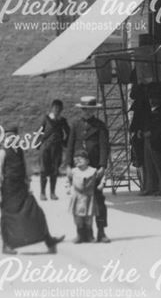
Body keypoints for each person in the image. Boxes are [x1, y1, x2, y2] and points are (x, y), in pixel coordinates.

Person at [0, 123, 65, 255]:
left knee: (36, 213)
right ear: (4, 139)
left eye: (13, 136)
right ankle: (6, 245)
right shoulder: (2, 153)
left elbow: (26, 170)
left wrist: (28, 186)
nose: (11, 139)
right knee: (7, 218)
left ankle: (49, 240)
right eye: (8, 137)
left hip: (21, 188)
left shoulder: (20, 151)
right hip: (8, 190)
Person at [65, 96, 111, 243]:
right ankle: (82, 233)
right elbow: (70, 146)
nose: (87, 112)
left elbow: (104, 147)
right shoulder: (75, 125)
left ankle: (101, 232)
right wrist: (67, 165)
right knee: (79, 200)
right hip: (78, 169)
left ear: (94, 110)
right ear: (81, 110)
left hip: (94, 169)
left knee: (97, 200)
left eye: (90, 109)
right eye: (84, 109)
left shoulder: (100, 126)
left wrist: (103, 165)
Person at [36, 99, 69, 200]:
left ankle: (52, 193)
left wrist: (64, 142)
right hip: (45, 147)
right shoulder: (46, 119)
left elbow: (69, 133)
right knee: (43, 170)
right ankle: (42, 193)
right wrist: (38, 144)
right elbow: (39, 132)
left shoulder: (62, 121)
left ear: (61, 110)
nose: (57, 110)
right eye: (55, 108)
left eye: (59, 109)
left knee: (55, 170)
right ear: (52, 108)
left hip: (57, 148)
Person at [67, 150, 103, 243]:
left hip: (89, 197)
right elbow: (68, 180)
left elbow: (102, 177)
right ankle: (80, 235)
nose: (77, 160)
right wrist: (68, 188)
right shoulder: (74, 171)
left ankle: (90, 236)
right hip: (77, 198)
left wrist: (102, 184)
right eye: (76, 159)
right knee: (78, 218)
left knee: (89, 218)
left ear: (87, 161)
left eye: (81, 158)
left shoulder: (93, 171)